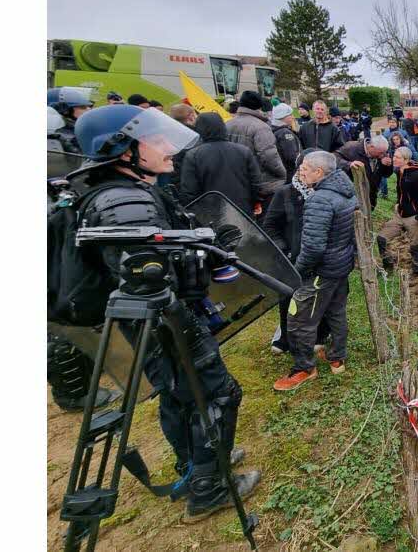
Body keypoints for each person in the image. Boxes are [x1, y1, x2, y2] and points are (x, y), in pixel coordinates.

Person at [70, 104, 259, 519]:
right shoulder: (124, 202)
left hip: (155, 322)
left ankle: (196, 462)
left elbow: (165, 247)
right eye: (154, 140)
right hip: (165, 320)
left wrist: (205, 245)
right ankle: (208, 487)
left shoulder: (131, 190)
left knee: (180, 393)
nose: (166, 146)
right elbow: (147, 275)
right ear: (122, 150)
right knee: (219, 393)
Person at [275, 151, 358, 389]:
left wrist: (297, 271)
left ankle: (304, 368)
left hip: (322, 271)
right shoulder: (346, 191)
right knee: (336, 312)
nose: (301, 173)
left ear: (319, 172)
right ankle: (337, 358)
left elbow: (313, 247)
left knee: (299, 318)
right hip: (341, 265)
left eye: (305, 169)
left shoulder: (319, 199)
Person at [264, 156, 310, 355]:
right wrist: (285, 249)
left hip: (313, 257)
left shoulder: (323, 194)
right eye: (302, 168)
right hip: (290, 256)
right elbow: (270, 226)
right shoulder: (284, 194)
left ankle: (318, 334)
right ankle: (285, 336)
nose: (304, 172)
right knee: (288, 297)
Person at [179, 112, 265, 212]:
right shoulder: (243, 151)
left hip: (210, 214)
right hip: (242, 210)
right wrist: (255, 202)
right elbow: (256, 183)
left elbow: (189, 190)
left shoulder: (193, 155)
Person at [376, 147, 418, 275]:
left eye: (397, 157)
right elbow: (400, 191)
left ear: (406, 160)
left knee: (415, 245)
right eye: (394, 156)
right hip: (399, 214)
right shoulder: (399, 172)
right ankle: (388, 266)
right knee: (381, 238)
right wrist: (397, 204)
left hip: (413, 216)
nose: (394, 159)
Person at [226, 90, 286, 199]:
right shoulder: (261, 127)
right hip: (262, 184)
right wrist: (282, 173)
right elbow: (269, 156)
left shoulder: (227, 124)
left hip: (237, 181)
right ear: (259, 106)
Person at [336, 135, 394, 210]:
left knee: (368, 213)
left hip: (372, 193)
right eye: (380, 153)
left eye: (384, 152)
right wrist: (349, 164)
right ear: (371, 147)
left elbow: (387, 174)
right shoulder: (351, 147)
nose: (382, 155)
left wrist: (387, 165)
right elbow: (334, 158)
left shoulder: (383, 151)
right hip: (354, 192)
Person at [47, 86, 95, 152]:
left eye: (89, 106)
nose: (89, 109)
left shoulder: (77, 130)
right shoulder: (64, 137)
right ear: (65, 110)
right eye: (82, 107)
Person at [270, 103, 301, 183]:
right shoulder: (285, 133)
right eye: (290, 115)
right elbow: (292, 156)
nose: (293, 117)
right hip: (290, 173)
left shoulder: (273, 130)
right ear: (283, 117)